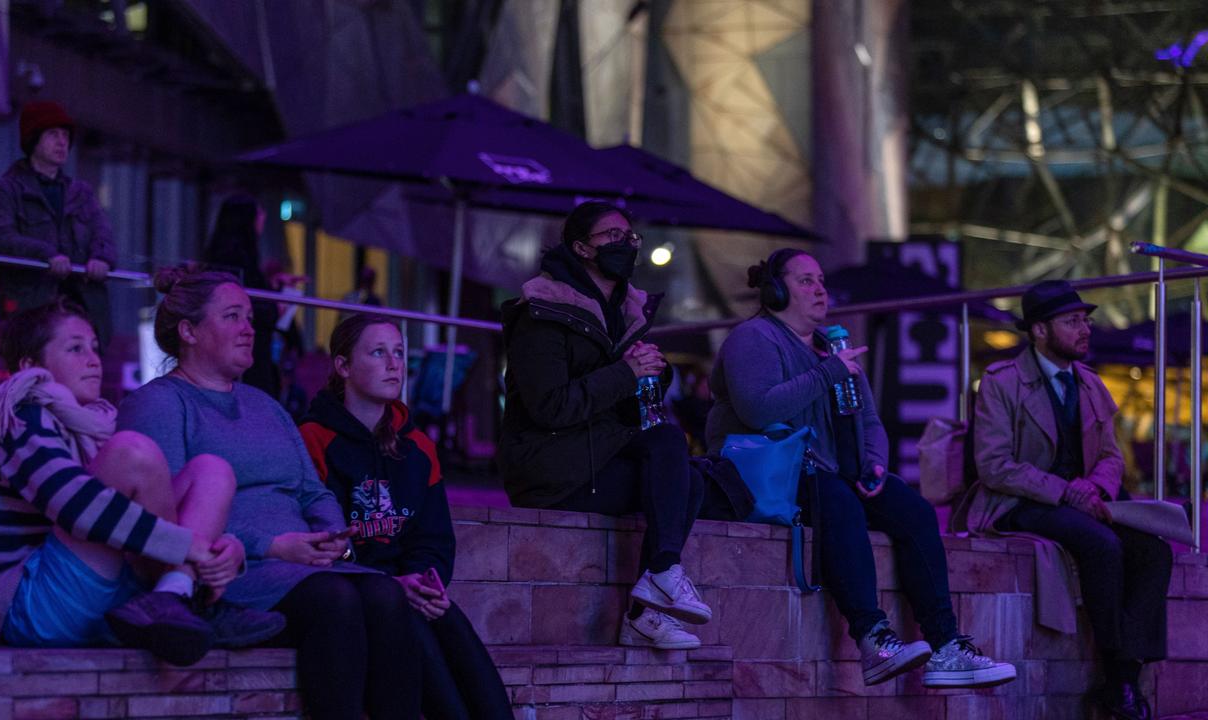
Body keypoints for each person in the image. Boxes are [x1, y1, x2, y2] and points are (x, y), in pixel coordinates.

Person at [117, 267, 421, 720]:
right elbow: (167, 509)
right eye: (233, 316)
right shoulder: (161, 403)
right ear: (189, 331)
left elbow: (312, 492)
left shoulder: (267, 406)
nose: (249, 328)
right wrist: (274, 546)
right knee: (335, 601)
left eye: (250, 319)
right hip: (232, 571)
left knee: (387, 596)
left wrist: (331, 539)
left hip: (305, 566)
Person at [705, 248, 1016, 689]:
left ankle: (946, 647)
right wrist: (828, 372)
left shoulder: (833, 347)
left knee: (914, 511)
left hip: (833, 471)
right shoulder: (754, 338)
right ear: (776, 290)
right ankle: (873, 639)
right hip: (769, 474)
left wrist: (874, 461)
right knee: (838, 502)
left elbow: (868, 418)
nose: (821, 290)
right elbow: (758, 409)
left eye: (821, 281)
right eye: (806, 281)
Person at [0, 298, 283, 667]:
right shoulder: (23, 419)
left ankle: (175, 595)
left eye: (95, 347)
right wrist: (190, 547)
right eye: (75, 349)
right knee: (133, 453)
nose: (94, 359)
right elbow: (74, 506)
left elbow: (146, 516)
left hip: (96, 594)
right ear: (30, 366)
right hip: (30, 608)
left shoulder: (89, 427)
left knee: (211, 470)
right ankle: (191, 599)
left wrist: (226, 549)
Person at [499, 201, 711, 650]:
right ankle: (658, 586)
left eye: (631, 237)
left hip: (594, 458)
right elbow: (551, 408)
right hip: (549, 472)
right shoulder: (541, 313)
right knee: (672, 450)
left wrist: (651, 376)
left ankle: (649, 603)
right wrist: (625, 374)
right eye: (612, 237)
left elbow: (623, 412)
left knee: (687, 474)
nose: (627, 244)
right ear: (581, 248)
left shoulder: (624, 314)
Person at [957, 280, 1171, 720]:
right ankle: (1117, 674)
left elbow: (1112, 455)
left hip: (1088, 499)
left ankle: (1127, 672)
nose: (1085, 329)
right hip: (1020, 499)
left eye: (1085, 320)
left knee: (1155, 550)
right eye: (1072, 321)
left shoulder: (1091, 385)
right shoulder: (1002, 382)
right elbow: (994, 464)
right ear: (1038, 330)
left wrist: (1097, 487)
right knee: (1101, 545)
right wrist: (1066, 492)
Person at [299, 314, 512, 720]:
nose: (394, 364)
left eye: (398, 352)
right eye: (378, 353)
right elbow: (321, 539)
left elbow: (433, 539)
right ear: (343, 366)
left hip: (410, 588)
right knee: (415, 631)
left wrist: (423, 581)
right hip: (357, 592)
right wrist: (394, 585)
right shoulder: (313, 439)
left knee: (451, 627)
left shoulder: (417, 445)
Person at [0, 101, 117, 347]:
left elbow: (104, 234)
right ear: (33, 138)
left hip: (82, 308)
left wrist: (102, 258)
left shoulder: (81, 193)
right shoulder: (7, 190)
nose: (62, 141)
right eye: (53, 134)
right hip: (32, 309)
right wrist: (45, 255)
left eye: (66, 135)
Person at [201, 193, 300, 399]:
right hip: (246, 353)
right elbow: (244, 302)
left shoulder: (226, 257)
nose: (263, 218)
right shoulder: (237, 259)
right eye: (259, 213)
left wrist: (273, 285)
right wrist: (276, 306)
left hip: (242, 350)